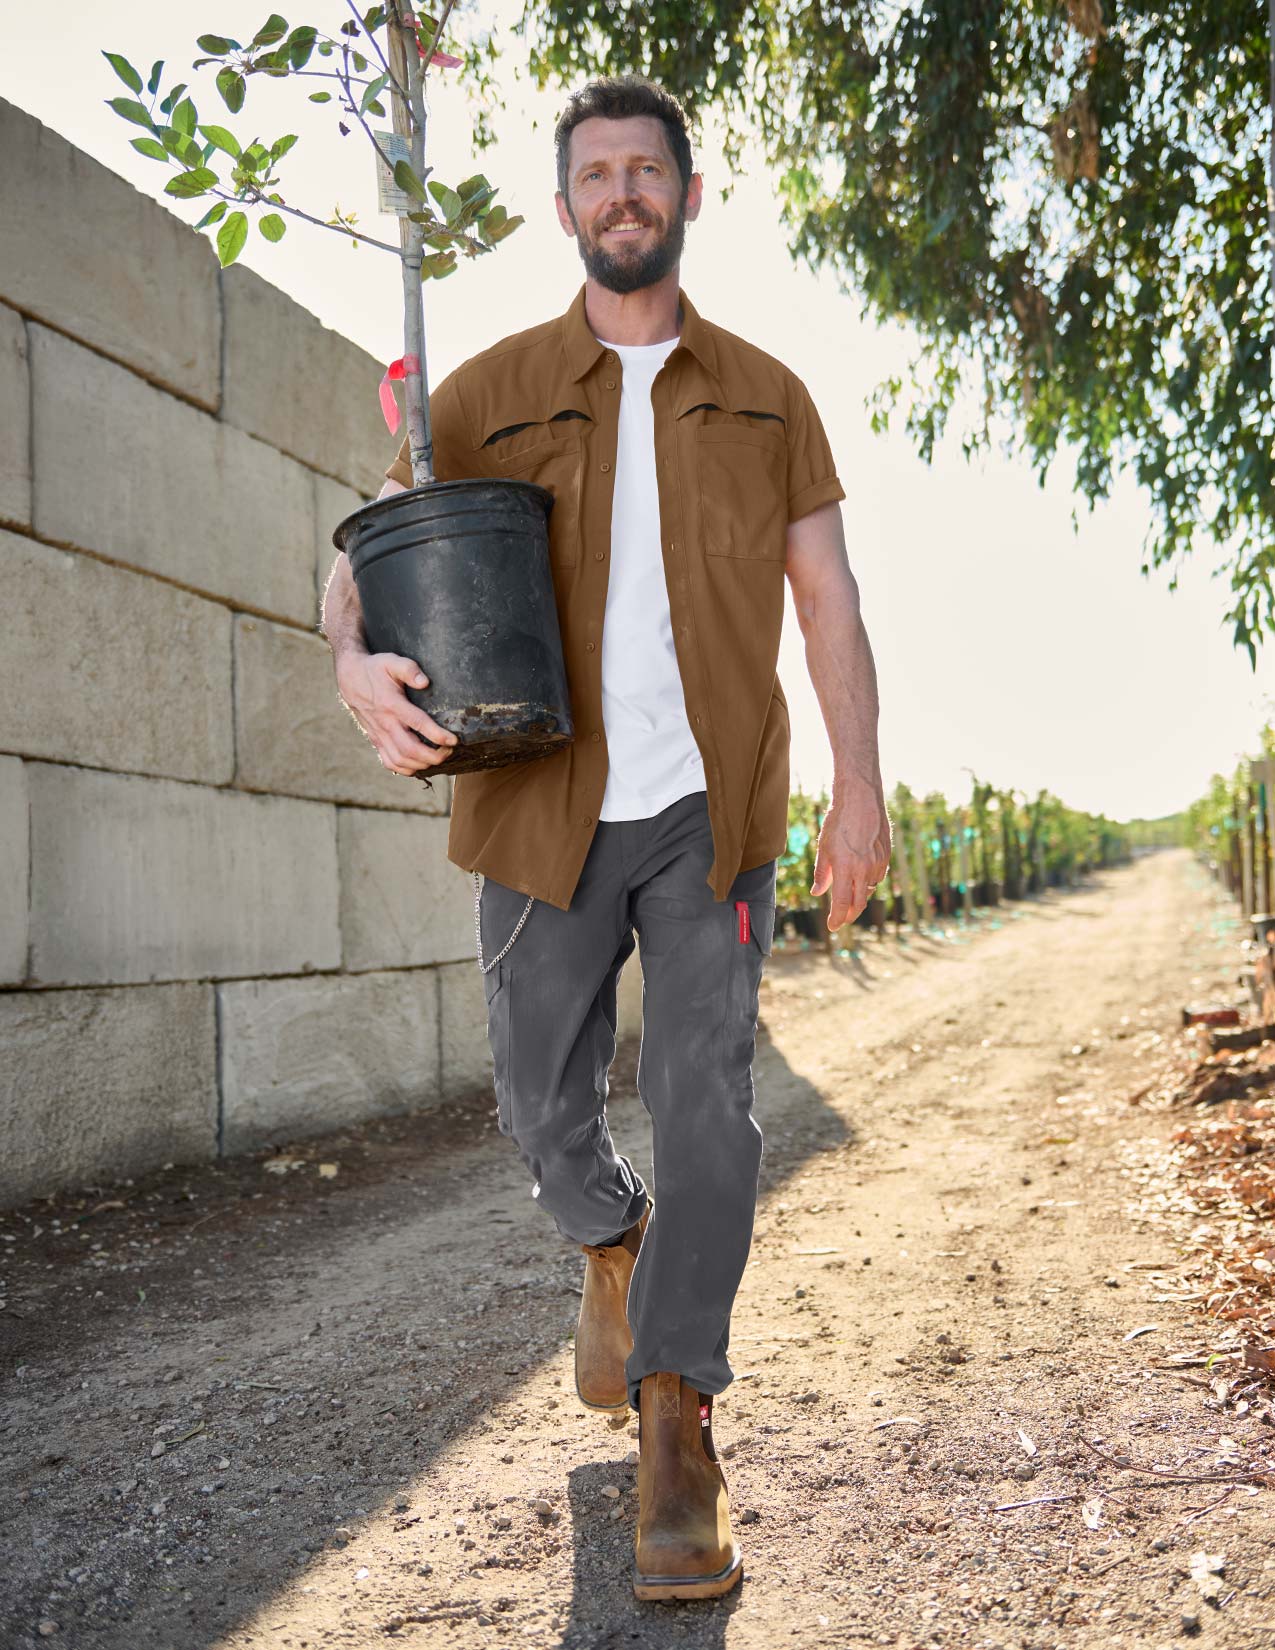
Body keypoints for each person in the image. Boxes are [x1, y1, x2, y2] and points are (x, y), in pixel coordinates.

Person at [321, 75, 891, 1601]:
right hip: (536, 800)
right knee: (536, 1107)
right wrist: (350, 658)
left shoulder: (771, 395)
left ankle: (676, 1417)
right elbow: (363, 552)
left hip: (714, 811)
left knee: (710, 1100)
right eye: (598, 173)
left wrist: (860, 781)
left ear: (688, 197)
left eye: (649, 170)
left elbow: (828, 596)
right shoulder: (488, 386)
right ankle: (611, 1239)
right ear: (566, 204)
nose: (624, 192)